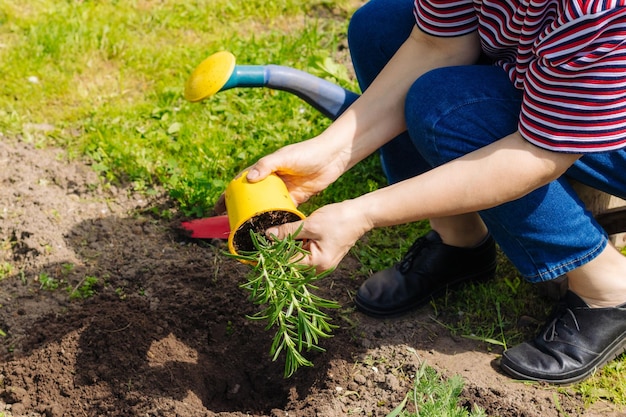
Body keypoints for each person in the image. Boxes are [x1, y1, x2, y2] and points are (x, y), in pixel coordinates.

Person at [236, 0, 626, 384]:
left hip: (602, 115)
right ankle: (460, 241)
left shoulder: (598, 9)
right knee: (381, 28)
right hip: (550, 70)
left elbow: (535, 155)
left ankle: (606, 287)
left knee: (445, 108)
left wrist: (362, 213)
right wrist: (329, 154)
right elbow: (436, 44)